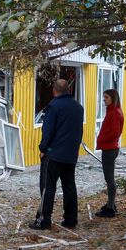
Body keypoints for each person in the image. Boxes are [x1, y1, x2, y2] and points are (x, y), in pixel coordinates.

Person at [30, 79, 84, 230]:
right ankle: (71, 220)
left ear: (54, 91)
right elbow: (79, 131)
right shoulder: (78, 108)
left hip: (53, 154)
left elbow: (48, 131)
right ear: (68, 90)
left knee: (48, 186)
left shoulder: (53, 107)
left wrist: (43, 148)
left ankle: (43, 220)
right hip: (70, 154)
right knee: (69, 186)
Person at [95, 88, 124, 218]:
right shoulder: (112, 111)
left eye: (106, 97)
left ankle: (110, 207)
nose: (104, 100)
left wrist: (101, 139)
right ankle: (110, 204)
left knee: (109, 179)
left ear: (113, 98)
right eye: (104, 97)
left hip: (110, 148)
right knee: (109, 178)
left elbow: (115, 132)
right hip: (109, 147)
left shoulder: (115, 113)